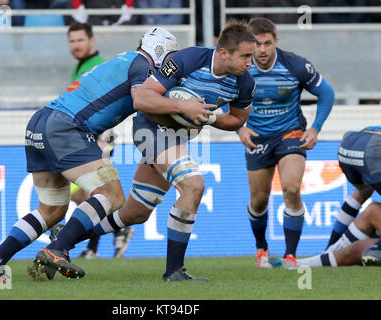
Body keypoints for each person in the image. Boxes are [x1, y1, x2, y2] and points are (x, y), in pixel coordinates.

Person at [0, 26, 209, 283]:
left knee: (51, 211)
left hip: (40, 123)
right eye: (170, 58)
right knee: (112, 195)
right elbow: (141, 101)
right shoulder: (143, 68)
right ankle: (56, 249)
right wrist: (183, 107)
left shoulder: (125, 59)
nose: (171, 65)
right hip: (67, 127)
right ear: (160, 52)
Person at [36, 19, 256, 282]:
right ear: (223, 52)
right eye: (245, 56)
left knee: (136, 212)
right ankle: (174, 271)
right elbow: (143, 98)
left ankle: (63, 239)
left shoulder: (245, 83)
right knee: (193, 185)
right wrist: (184, 108)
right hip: (151, 129)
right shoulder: (189, 59)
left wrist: (208, 118)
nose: (250, 63)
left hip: (177, 138)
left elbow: (237, 120)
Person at [237, 17, 335, 269]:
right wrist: (239, 126)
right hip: (257, 136)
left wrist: (315, 128)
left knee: (291, 188)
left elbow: (327, 94)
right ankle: (262, 250)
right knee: (258, 199)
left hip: (290, 134)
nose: (262, 50)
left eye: (267, 43)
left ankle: (290, 256)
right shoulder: (239, 66)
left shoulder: (295, 65)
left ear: (276, 41)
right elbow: (223, 95)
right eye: (256, 44)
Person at [55, 21, 135, 259]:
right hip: (89, 139)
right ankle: (95, 246)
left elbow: (105, 106)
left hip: (98, 139)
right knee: (88, 193)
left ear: (92, 40)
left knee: (91, 192)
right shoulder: (81, 66)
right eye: (72, 41)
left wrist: (102, 139)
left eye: (80, 40)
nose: (76, 45)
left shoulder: (97, 66)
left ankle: (119, 227)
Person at [297, 126, 381, 267]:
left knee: (367, 203)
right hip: (371, 149)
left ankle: (319, 256)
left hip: (352, 143)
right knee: (371, 214)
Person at [71, 0, 135, 26]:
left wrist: (118, 26)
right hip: (93, 24)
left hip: (119, 25)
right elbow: (76, 6)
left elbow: (130, 8)